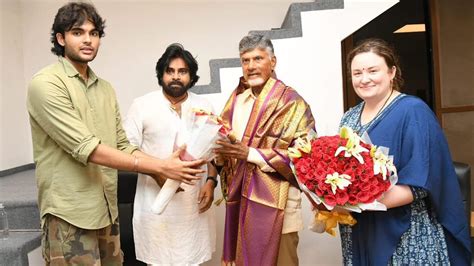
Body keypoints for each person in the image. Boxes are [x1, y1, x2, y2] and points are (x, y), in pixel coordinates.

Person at [26, 3, 204, 265]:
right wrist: (162, 166)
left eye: (94, 33)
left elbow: (122, 143)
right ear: (61, 38)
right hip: (69, 214)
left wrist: (158, 172)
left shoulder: (105, 88)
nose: (88, 39)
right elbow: (89, 148)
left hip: (106, 210)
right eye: (78, 32)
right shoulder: (46, 84)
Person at [338, 38, 471, 265]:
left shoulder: (413, 111)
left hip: (407, 231)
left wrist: (356, 201)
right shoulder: (349, 117)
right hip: (362, 226)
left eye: (372, 70)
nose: (364, 79)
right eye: (357, 73)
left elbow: (421, 183)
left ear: (391, 72)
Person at [214, 34, 316, 266]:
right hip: (241, 205)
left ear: (273, 61)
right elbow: (224, 146)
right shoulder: (236, 100)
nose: (251, 66)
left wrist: (249, 154)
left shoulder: (292, 103)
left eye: (258, 58)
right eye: (245, 60)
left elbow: (306, 157)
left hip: (279, 209)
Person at [123, 44, 217, 265]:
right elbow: (127, 150)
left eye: (182, 71)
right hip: (155, 209)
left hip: (193, 208)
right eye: (170, 71)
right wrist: (158, 171)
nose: (175, 77)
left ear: (191, 76)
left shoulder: (204, 106)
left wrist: (211, 182)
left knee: (192, 260)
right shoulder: (142, 105)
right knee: (158, 260)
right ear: (161, 74)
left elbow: (213, 152)